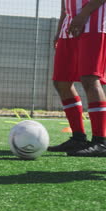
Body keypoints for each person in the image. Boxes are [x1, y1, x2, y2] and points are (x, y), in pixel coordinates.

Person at [48, 0, 106, 156]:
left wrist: (83, 14)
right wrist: (59, 30)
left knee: (90, 79)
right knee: (61, 82)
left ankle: (101, 141)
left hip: (94, 23)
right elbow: (64, 6)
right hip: (69, 27)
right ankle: (78, 138)